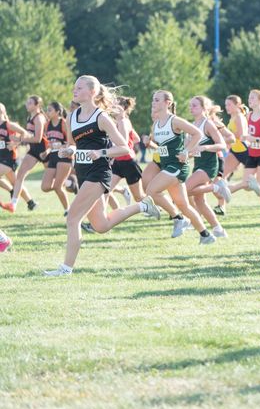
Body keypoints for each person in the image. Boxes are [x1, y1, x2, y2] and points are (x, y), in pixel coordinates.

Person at [43, 76, 160, 276]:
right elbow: (73, 144)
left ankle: (66, 269)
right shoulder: (72, 116)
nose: (74, 90)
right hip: (82, 171)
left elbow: (125, 148)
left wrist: (102, 153)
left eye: (79, 88)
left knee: (72, 219)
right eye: (74, 87)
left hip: (99, 172)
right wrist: (68, 151)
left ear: (92, 92)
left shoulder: (102, 117)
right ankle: (142, 205)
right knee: (101, 225)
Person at [146, 90, 214, 244]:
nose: (153, 103)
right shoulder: (156, 123)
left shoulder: (175, 121)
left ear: (167, 103)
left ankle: (177, 218)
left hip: (177, 166)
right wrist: (149, 143)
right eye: (153, 100)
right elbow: (162, 147)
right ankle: (206, 235)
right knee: (184, 205)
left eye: (157, 100)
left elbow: (197, 134)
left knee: (151, 190)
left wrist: (186, 151)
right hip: (167, 166)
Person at [185, 96, 231, 239]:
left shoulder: (208, 124)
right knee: (200, 201)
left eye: (195, 106)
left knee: (184, 190)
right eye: (190, 105)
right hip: (198, 165)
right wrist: (186, 154)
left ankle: (216, 188)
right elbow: (190, 150)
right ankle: (218, 230)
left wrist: (205, 147)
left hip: (209, 166)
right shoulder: (192, 125)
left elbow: (222, 144)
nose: (191, 108)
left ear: (204, 108)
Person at [231, 90, 260, 221]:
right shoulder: (249, 116)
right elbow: (247, 135)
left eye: (252, 98)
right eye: (249, 97)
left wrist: (255, 139)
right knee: (247, 185)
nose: (249, 99)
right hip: (252, 153)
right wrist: (245, 138)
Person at [8, 95, 47, 212]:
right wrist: (16, 141)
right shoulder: (29, 117)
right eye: (27, 102)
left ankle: (72, 184)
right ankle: (13, 204)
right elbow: (27, 135)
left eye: (30, 103)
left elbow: (38, 138)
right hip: (34, 151)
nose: (26, 104)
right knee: (20, 175)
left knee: (57, 182)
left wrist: (20, 140)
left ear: (37, 105)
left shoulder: (39, 118)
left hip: (46, 151)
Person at [109, 96, 145, 204]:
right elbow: (136, 138)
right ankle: (111, 216)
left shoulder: (123, 122)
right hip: (118, 162)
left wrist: (112, 153)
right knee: (106, 190)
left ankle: (159, 206)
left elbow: (123, 143)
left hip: (128, 162)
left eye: (115, 105)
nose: (112, 107)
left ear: (123, 108)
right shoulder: (119, 122)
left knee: (138, 197)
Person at [0, 103, 34, 212]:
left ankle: (11, 193)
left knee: (15, 183)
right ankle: (31, 202)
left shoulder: (9, 125)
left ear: (3, 112)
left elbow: (26, 134)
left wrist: (15, 143)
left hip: (9, 159)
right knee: (16, 183)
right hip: (1, 158)